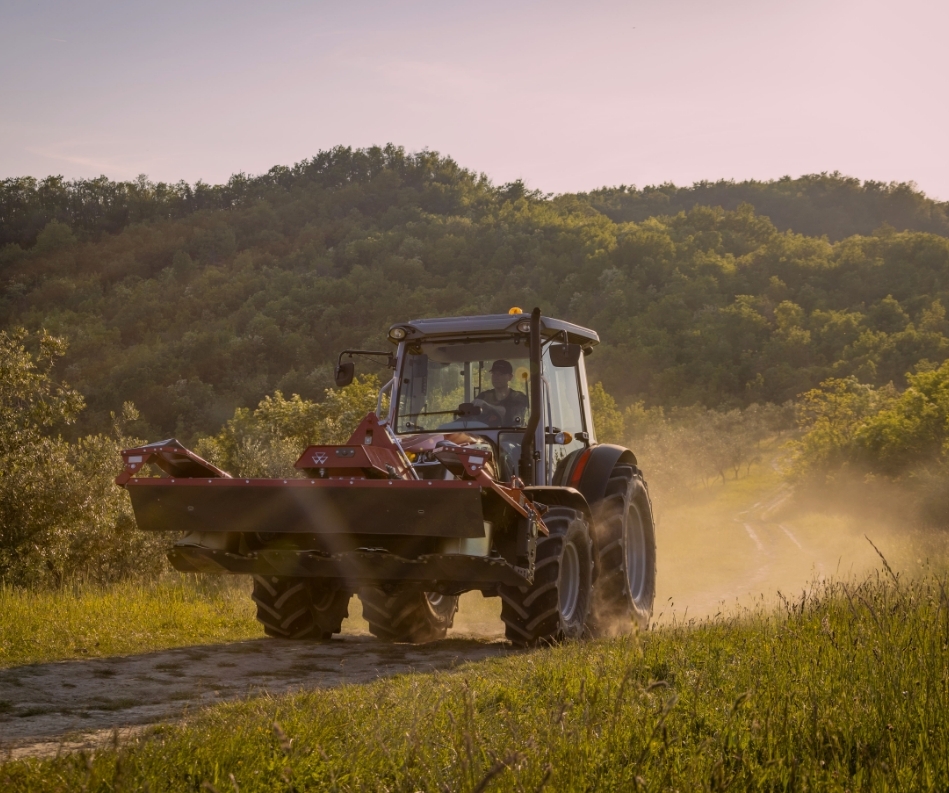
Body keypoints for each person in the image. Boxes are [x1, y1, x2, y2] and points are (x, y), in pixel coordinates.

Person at [473, 360, 529, 427]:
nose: (496, 377)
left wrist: (487, 406)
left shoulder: (519, 397)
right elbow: (474, 420)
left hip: (513, 435)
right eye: (494, 374)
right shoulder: (483, 396)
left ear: (510, 377)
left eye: (501, 374)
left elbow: (514, 419)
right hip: (486, 435)